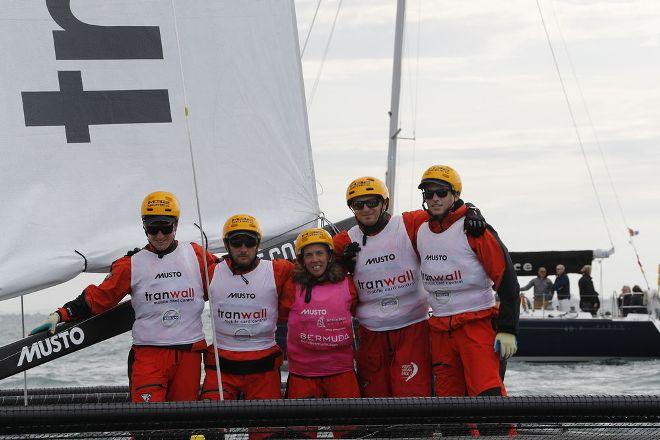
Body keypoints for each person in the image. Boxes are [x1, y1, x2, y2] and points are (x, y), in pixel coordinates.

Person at [30, 191, 216, 403]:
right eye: (152, 229)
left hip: (188, 356)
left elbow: (227, 282)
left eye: (165, 228)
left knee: (183, 427)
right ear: (144, 226)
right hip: (149, 356)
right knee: (147, 429)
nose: (159, 235)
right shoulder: (131, 264)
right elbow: (99, 298)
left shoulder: (196, 256)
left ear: (176, 225)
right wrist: (61, 313)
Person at [332, 176, 487, 398]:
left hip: (412, 328)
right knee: (374, 397)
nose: (366, 209)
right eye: (358, 204)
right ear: (352, 208)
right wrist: (342, 265)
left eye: (372, 202)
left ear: (384, 203)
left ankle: (416, 433)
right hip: (371, 333)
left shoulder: (407, 223)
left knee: (412, 395)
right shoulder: (344, 240)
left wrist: (472, 210)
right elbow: (314, 266)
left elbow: (445, 210)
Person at [414, 165, 519, 399]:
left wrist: (508, 329)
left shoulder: (475, 230)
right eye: (428, 193)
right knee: (448, 399)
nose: (435, 199)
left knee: (487, 393)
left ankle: (498, 437)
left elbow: (508, 281)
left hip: (477, 325)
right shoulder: (420, 230)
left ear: (455, 195)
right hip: (440, 329)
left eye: (441, 192)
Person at [200, 214, 293, 405]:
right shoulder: (211, 271)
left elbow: (316, 267)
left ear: (258, 244)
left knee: (265, 433)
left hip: (263, 369)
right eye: (236, 242)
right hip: (221, 368)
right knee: (209, 430)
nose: (243, 249)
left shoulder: (278, 270)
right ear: (227, 246)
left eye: (249, 242)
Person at [279, 228, 360, 438]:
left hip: (341, 373)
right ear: (301, 259)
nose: (315, 259)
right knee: (301, 435)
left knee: (348, 434)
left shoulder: (348, 283)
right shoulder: (291, 286)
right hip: (302, 375)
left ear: (330, 256)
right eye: (309, 254)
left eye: (320, 253)